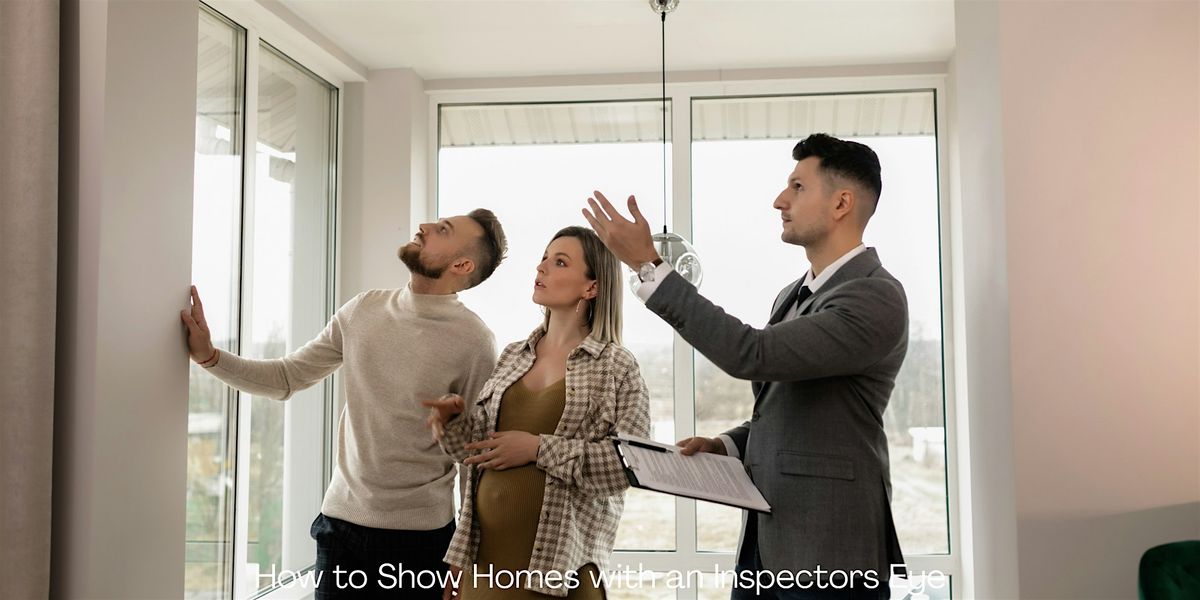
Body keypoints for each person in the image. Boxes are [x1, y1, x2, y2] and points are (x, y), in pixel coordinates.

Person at [583, 133, 908, 600]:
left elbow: (752, 354)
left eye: (797, 187)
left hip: (831, 549)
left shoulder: (874, 296)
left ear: (841, 203)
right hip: (768, 545)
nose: (780, 200)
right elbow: (794, 408)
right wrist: (727, 445)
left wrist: (649, 265)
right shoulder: (791, 295)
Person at [180, 210, 508, 599]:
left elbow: (473, 458)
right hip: (340, 529)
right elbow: (288, 377)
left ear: (462, 265)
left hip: (421, 541)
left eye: (442, 230)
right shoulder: (363, 309)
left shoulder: (475, 341)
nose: (424, 227)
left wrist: (465, 556)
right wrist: (210, 357)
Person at [423, 226, 651, 599]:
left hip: (561, 576)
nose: (541, 267)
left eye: (559, 262)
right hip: (484, 572)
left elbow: (632, 466)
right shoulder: (513, 355)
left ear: (591, 287)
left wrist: (537, 449)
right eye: (544, 258)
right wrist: (452, 424)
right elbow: (477, 451)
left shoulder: (617, 367)